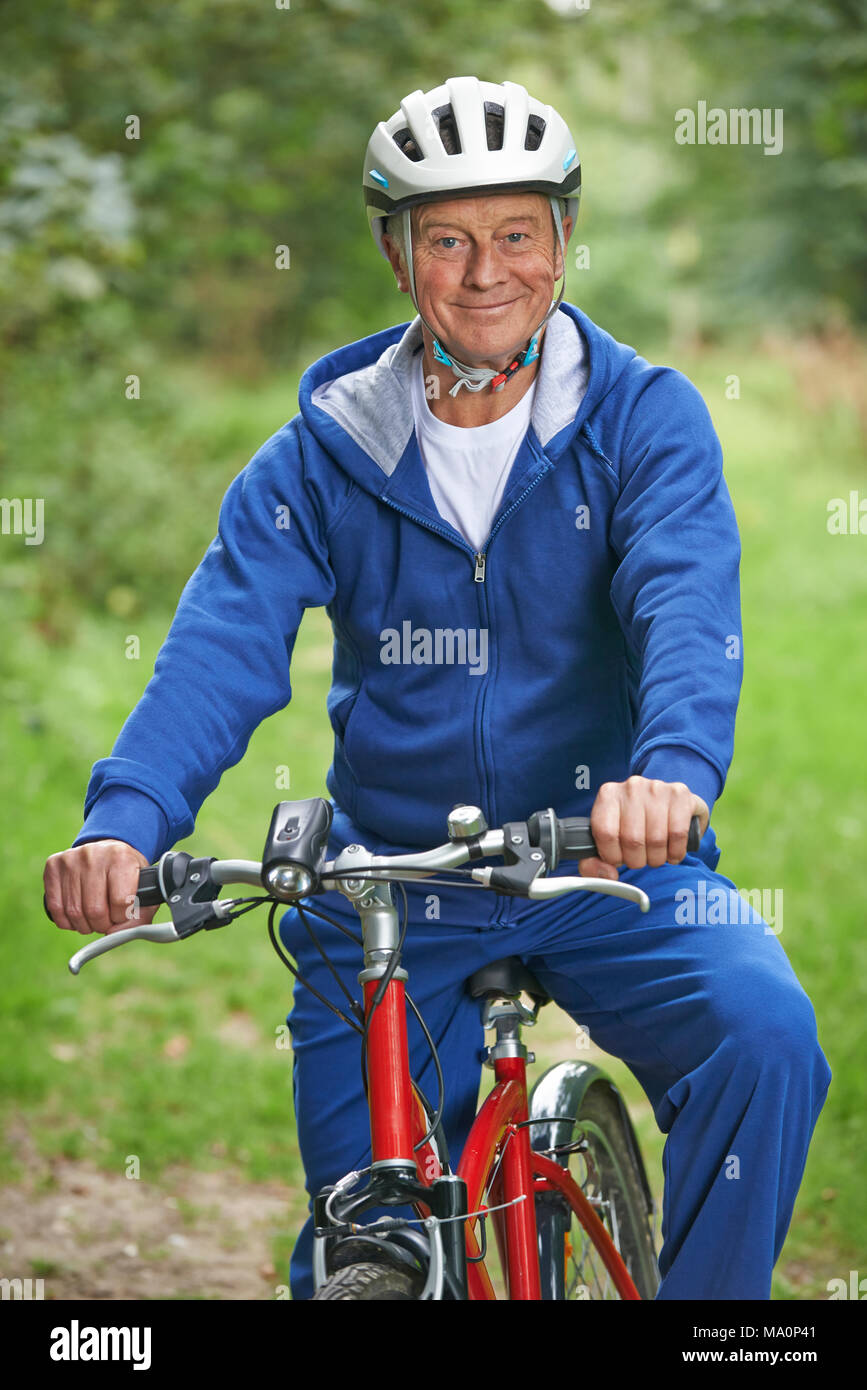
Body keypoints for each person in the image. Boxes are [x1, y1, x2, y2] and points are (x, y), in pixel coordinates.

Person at [44, 76, 831, 1301]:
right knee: (366, 1256)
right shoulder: (322, 452)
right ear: (396, 253)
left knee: (768, 1038)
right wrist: (125, 819)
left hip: (610, 864)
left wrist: (670, 771)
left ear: (563, 242)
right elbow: (221, 644)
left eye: (516, 233)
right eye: (447, 237)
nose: (483, 271)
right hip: (391, 886)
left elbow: (684, 601)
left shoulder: (644, 421)